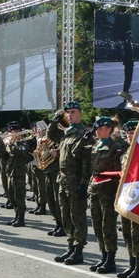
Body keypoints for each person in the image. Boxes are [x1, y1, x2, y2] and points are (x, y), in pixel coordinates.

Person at [48, 101, 93, 265]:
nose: (70, 115)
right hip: (64, 180)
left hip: (76, 181)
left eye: (73, 112)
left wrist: (83, 183)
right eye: (67, 113)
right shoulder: (67, 133)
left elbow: (86, 163)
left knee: (77, 217)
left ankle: (79, 250)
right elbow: (52, 136)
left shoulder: (83, 134)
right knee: (65, 215)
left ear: (80, 114)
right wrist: (54, 122)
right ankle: (70, 246)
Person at [88, 117, 125, 274]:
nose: (98, 131)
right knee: (97, 224)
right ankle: (103, 255)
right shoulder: (96, 146)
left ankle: (111, 258)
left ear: (109, 129)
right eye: (97, 129)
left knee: (107, 225)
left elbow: (119, 172)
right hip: (95, 190)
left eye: (101, 128)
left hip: (108, 191)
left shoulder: (115, 148)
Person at [117, 120, 139, 278]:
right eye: (127, 133)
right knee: (127, 232)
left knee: (137, 233)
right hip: (126, 197)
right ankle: (132, 263)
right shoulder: (127, 152)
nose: (129, 136)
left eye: (132, 132)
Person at [5, 121, 36, 227]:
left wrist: (9, 144)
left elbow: (16, 152)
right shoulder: (11, 143)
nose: (11, 134)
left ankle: (21, 218)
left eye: (12, 132)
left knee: (19, 197)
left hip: (19, 173)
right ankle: (16, 216)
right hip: (10, 173)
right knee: (11, 196)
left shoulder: (23, 143)